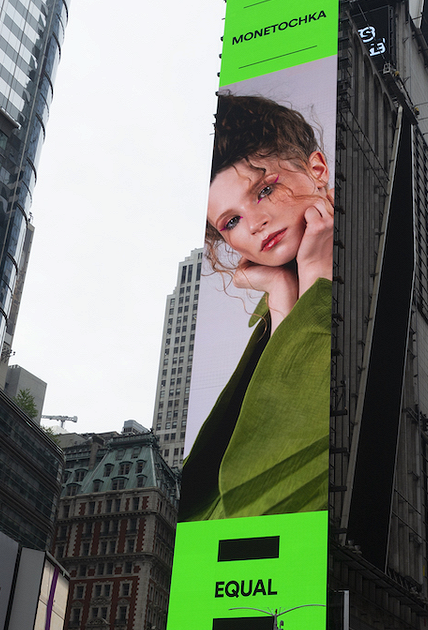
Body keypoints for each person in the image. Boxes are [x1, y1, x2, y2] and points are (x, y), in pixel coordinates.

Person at [179, 94, 333, 522]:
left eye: (265, 190)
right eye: (230, 222)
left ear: (316, 170)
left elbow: (276, 490)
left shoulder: (363, 270)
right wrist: (285, 302)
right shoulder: (281, 305)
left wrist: (319, 278)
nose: (254, 223)